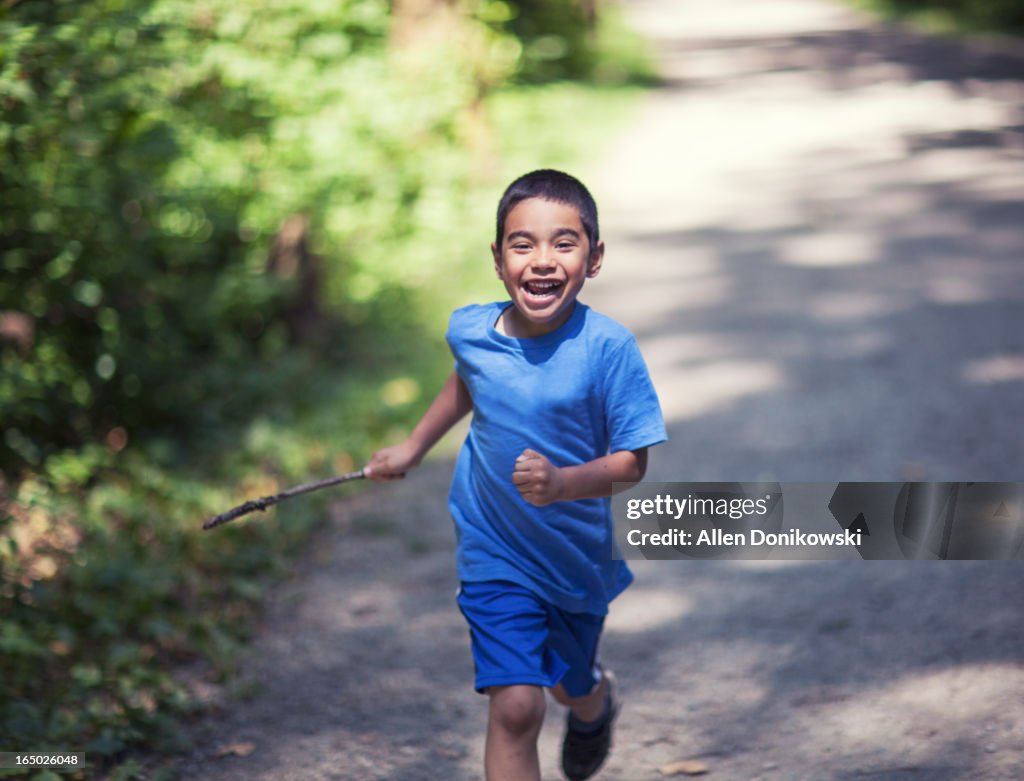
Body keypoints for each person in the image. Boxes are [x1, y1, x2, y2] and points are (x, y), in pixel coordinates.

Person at [365, 169, 667, 781]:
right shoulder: (472, 331)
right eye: (522, 244)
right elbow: (467, 384)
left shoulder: (609, 350)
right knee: (517, 706)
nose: (542, 261)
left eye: (564, 242)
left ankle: (596, 704)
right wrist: (415, 446)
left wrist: (562, 484)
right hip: (493, 546)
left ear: (595, 257)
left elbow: (633, 463)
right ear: (498, 260)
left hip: (572, 556)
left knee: (568, 688)